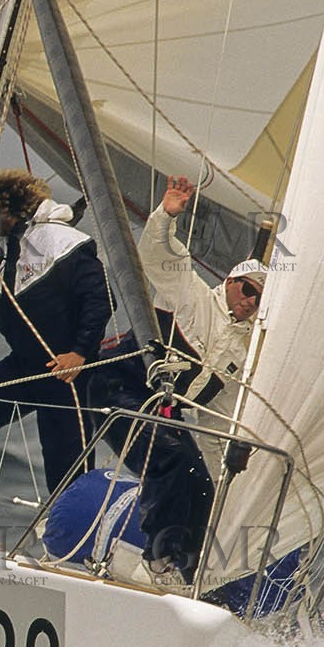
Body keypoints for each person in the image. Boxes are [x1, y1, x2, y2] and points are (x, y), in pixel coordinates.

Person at [81, 173, 267, 581]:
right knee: (173, 460)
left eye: (261, 298)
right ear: (231, 282)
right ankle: (157, 558)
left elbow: (219, 418)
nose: (251, 301)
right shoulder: (191, 294)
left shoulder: (242, 350)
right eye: (248, 290)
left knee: (200, 481)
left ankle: (185, 570)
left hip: (161, 411)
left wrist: (230, 473)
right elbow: (160, 257)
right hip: (117, 385)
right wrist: (167, 215)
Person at [0, 170, 110, 527]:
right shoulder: (10, 247)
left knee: (66, 467)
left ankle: (78, 541)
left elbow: (100, 298)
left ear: (9, 210)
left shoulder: (62, 242)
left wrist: (79, 352)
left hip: (66, 374)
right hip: (27, 366)